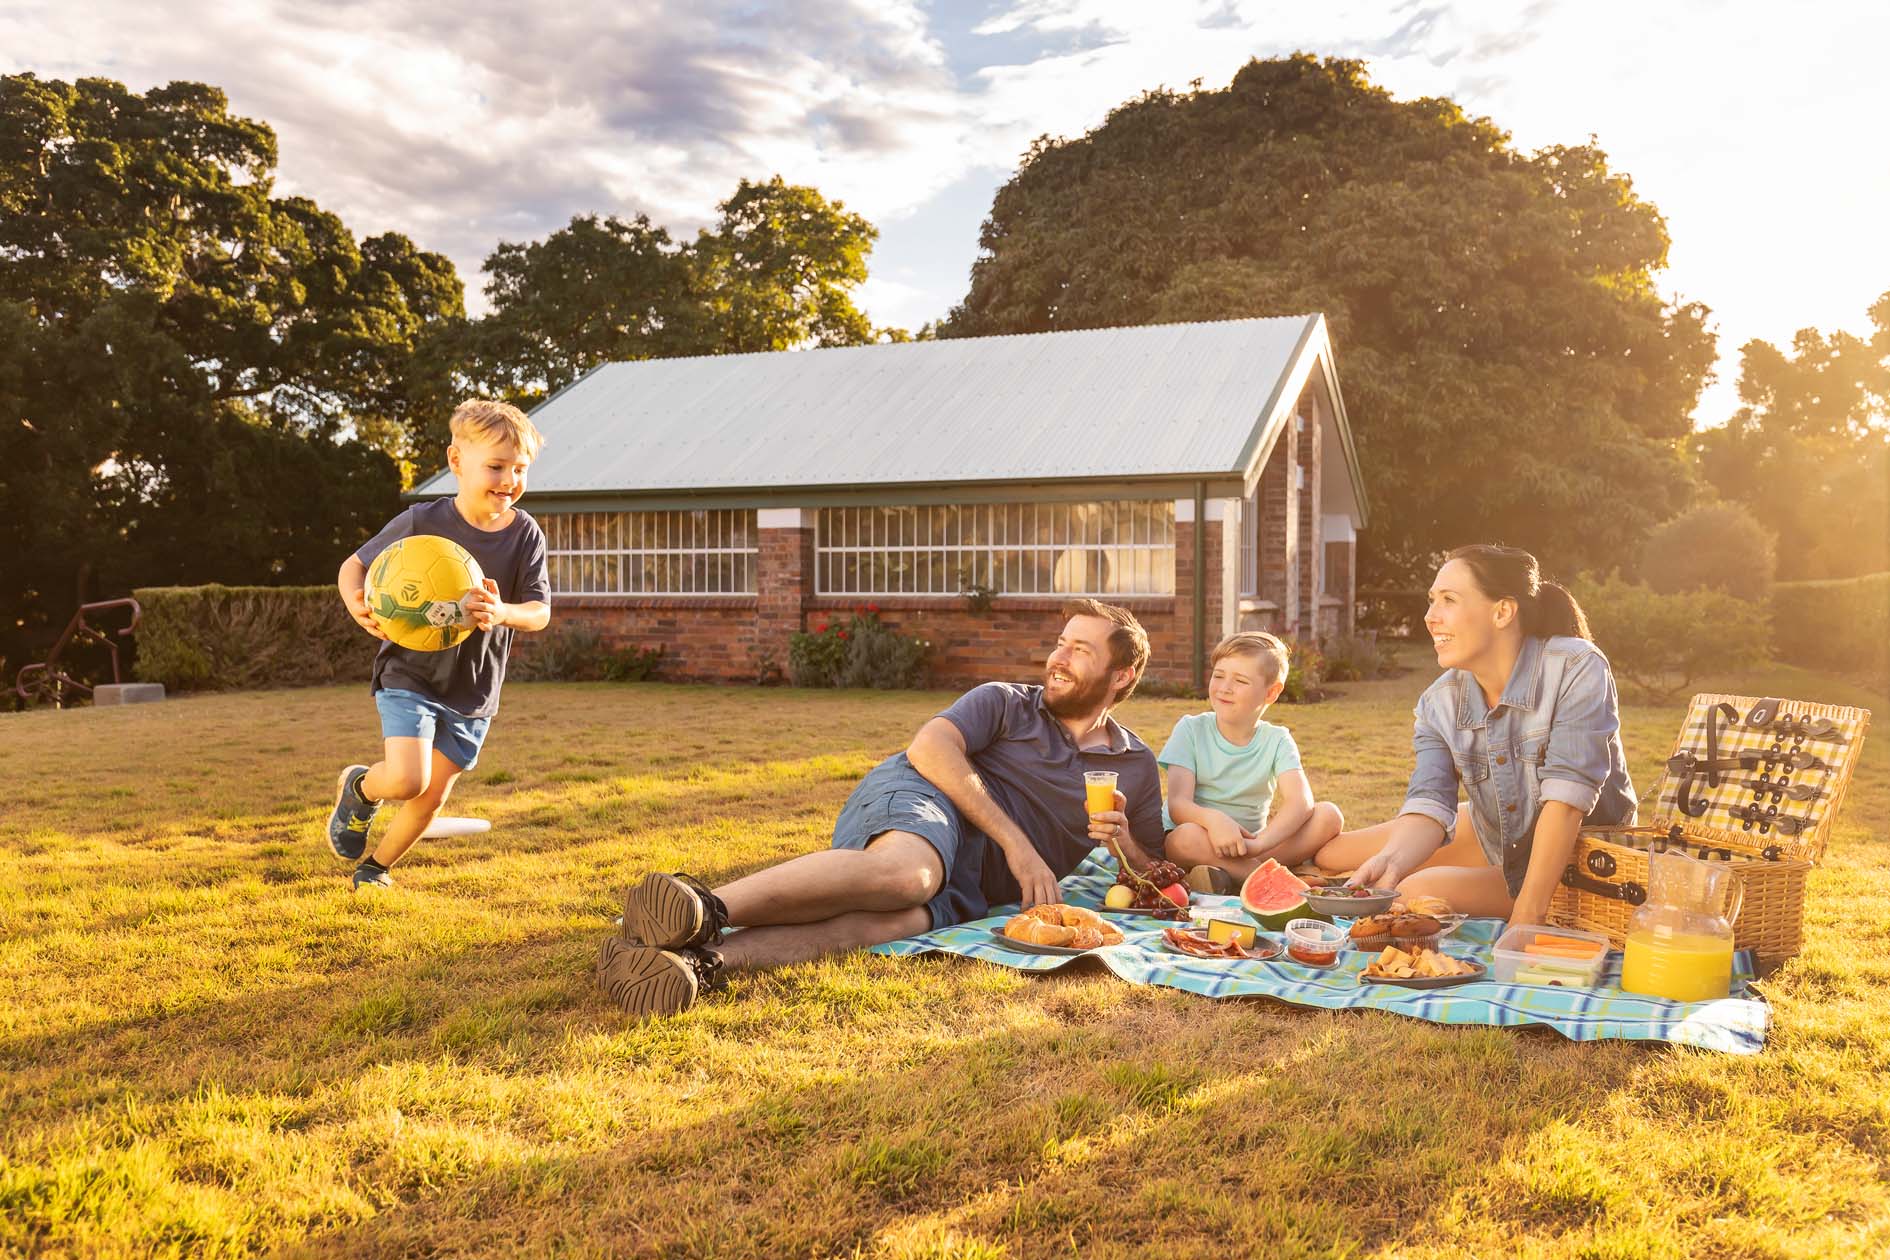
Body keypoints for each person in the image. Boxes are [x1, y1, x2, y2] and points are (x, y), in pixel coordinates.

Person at [596, 599, 1166, 1017]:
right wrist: (1019, 846)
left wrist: (1124, 840)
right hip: (929, 801)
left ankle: (697, 963)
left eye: (1080, 650)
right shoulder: (1006, 703)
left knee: (890, 922)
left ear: (1122, 676)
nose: (1058, 658)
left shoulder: (1136, 765)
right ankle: (702, 906)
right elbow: (930, 748)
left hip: (976, 883)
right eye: (1061, 642)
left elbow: (1156, 875)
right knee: (907, 878)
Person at [1314, 544, 1636, 923]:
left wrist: (1526, 918)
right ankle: (1267, 865)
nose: (1430, 617)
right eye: (1432, 601)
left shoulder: (1576, 666)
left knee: (1415, 891)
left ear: (1502, 611)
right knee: (1331, 857)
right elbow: (1430, 803)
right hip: (1498, 830)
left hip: (1575, 858)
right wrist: (1391, 860)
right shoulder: (1438, 703)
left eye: (1449, 600)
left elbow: (1566, 803)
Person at [323, 399, 551, 890]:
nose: (508, 479)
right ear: (456, 462)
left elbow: (539, 611)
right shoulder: (421, 521)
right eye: (495, 466)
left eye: (519, 469)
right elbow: (353, 566)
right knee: (408, 780)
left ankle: (375, 868)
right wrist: (356, 603)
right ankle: (362, 788)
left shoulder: (526, 534)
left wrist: (503, 612)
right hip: (411, 673)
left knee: (429, 798)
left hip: (473, 689)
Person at [1158, 631, 1344, 890]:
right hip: (1202, 839)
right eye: (1219, 675)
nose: (1224, 687)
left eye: (1240, 681)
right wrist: (1214, 821)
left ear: (1271, 693)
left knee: (1328, 815)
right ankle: (1271, 881)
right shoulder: (1190, 729)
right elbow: (1178, 805)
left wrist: (1259, 844)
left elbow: (1300, 802)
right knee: (1184, 838)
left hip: (1252, 845)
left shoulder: (1277, 739)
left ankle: (1233, 873)